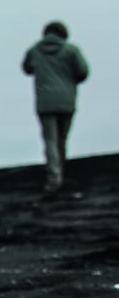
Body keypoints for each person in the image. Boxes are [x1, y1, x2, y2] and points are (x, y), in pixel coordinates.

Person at [22, 21, 89, 192]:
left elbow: (26, 68)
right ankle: (61, 172)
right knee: (62, 138)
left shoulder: (35, 50)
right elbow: (83, 72)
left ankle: (54, 176)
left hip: (44, 102)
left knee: (50, 140)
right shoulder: (71, 50)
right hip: (67, 100)